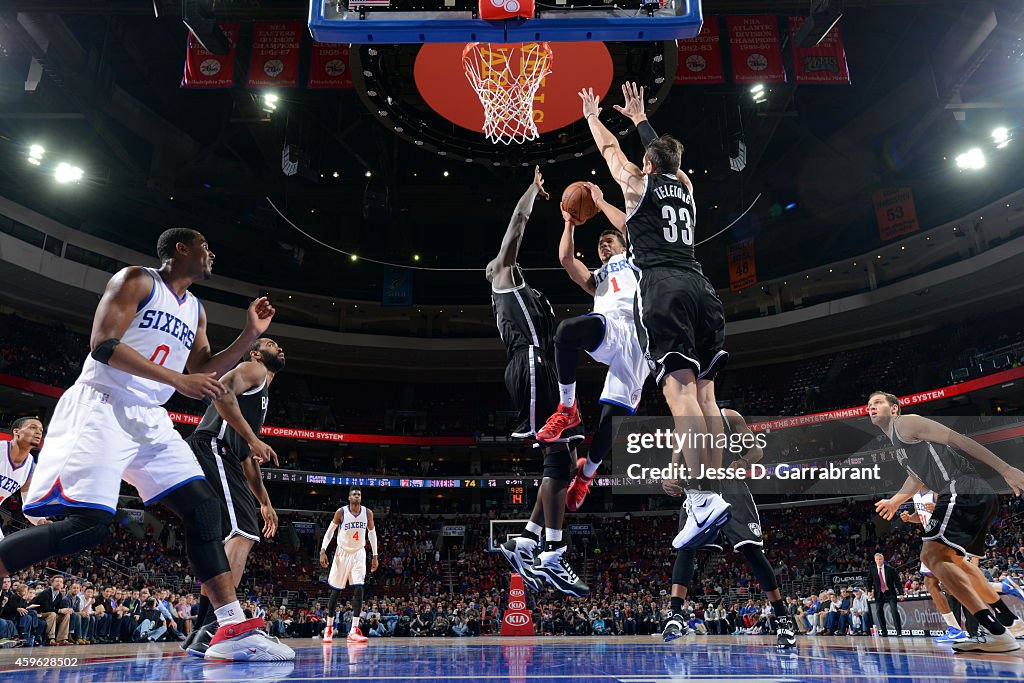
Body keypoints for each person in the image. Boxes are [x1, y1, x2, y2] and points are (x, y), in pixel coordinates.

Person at [0, 227, 292, 661]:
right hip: (103, 404)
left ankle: (230, 626)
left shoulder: (195, 309)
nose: (211, 253)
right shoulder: (136, 280)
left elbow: (205, 368)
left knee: (204, 508)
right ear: (180, 249)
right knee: (89, 526)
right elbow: (103, 345)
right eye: (204, 246)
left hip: (150, 417)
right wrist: (178, 380)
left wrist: (250, 334)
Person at [581, 82, 730, 549]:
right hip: (703, 289)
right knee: (707, 399)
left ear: (646, 163)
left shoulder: (636, 181)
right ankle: (712, 494)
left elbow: (609, 149)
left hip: (663, 287)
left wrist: (593, 116)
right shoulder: (685, 186)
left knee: (680, 393)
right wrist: (642, 121)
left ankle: (702, 499)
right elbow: (666, 158)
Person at [488, 167, 587, 597]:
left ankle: (526, 540)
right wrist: (530, 192)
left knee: (565, 457)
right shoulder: (503, 279)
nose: (502, 260)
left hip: (546, 368)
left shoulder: (530, 293)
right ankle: (552, 551)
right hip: (529, 365)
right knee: (556, 460)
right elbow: (515, 229)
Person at [870, 390, 1024, 652]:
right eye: (869, 404)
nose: (871, 407)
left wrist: (1006, 469)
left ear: (894, 408)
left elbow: (959, 440)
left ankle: (996, 632)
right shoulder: (897, 444)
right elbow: (916, 478)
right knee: (955, 563)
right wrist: (896, 500)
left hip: (960, 487)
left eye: (878, 402)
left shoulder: (906, 423)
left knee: (933, 558)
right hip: (971, 492)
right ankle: (1007, 619)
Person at [535, 199, 648, 513]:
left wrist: (598, 201)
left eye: (608, 241)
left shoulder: (637, 260)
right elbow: (566, 259)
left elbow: (632, 227)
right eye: (599, 243)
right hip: (610, 327)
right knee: (566, 332)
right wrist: (569, 224)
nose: (603, 245)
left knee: (610, 423)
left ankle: (586, 475)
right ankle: (567, 408)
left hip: (638, 338)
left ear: (622, 246)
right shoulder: (598, 277)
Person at [182, 337, 285, 657]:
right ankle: (218, 627)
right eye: (270, 343)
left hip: (221, 452)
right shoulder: (253, 369)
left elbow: (247, 460)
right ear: (256, 353)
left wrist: (265, 502)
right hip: (213, 446)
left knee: (226, 539)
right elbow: (222, 388)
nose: (278, 348)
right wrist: (252, 438)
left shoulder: (260, 397)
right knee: (243, 532)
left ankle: (202, 630)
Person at [663, 407, 796, 649]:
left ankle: (783, 619)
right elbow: (675, 463)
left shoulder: (728, 416)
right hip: (698, 488)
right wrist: (669, 480)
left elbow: (757, 450)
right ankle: (675, 614)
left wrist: (743, 461)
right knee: (686, 546)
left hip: (731, 486)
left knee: (752, 550)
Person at [899, 487, 970, 644]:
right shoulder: (916, 493)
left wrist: (939, 509)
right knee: (933, 583)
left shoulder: (937, 491)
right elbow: (920, 516)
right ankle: (955, 628)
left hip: (944, 538)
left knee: (949, 584)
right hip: (931, 539)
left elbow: (957, 512)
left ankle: (957, 628)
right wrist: (910, 518)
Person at [320, 487, 379, 643]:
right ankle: (329, 628)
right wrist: (323, 550)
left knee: (359, 588)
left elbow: (372, 534)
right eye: (354, 494)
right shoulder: (341, 512)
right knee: (336, 591)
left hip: (359, 553)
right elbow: (330, 531)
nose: (357, 496)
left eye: (359, 494)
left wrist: (375, 555)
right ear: (349, 497)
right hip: (342, 553)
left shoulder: (368, 513)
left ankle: (354, 629)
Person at [0, 417, 46, 539]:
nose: (39, 432)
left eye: (41, 430)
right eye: (33, 427)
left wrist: (41, 522)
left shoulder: (30, 468)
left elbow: (28, 506)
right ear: (16, 432)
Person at [867, 553, 902, 637]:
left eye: (880, 559)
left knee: (894, 611)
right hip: (879, 593)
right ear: (875, 560)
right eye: (877, 559)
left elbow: (897, 581)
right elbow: (869, 581)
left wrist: (901, 593)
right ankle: (884, 631)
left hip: (890, 593)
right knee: (879, 612)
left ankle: (899, 631)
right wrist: (869, 591)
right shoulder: (872, 569)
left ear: (883, 560)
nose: (878, 561)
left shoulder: (890, 569)